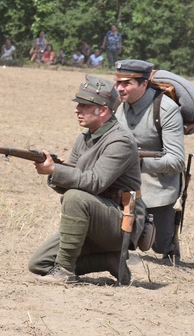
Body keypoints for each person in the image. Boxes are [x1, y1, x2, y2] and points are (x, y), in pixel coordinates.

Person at [28, 75, 145, 285]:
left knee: (75, 198)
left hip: (120, 221)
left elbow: (95, 182)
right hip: (93, 217)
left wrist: (56, 170)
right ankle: (109, 260)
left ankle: (64, 271)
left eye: (84, 105)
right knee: (39, 264)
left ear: (103, 110)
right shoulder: (84, 138)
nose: (77, 109)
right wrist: (55, 171)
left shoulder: (121, 140)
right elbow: (71, 183)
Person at [113, 59, 185, 260]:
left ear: (144, 84)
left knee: (159, 245)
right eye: (117, 82)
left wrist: (137, 163)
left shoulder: (165, 109)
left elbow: (177, 161)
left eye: (126, 83)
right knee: (119, 238)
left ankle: (170, 240)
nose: (119, 88)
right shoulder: (118, 104)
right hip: (122, 184)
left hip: (157, 185)